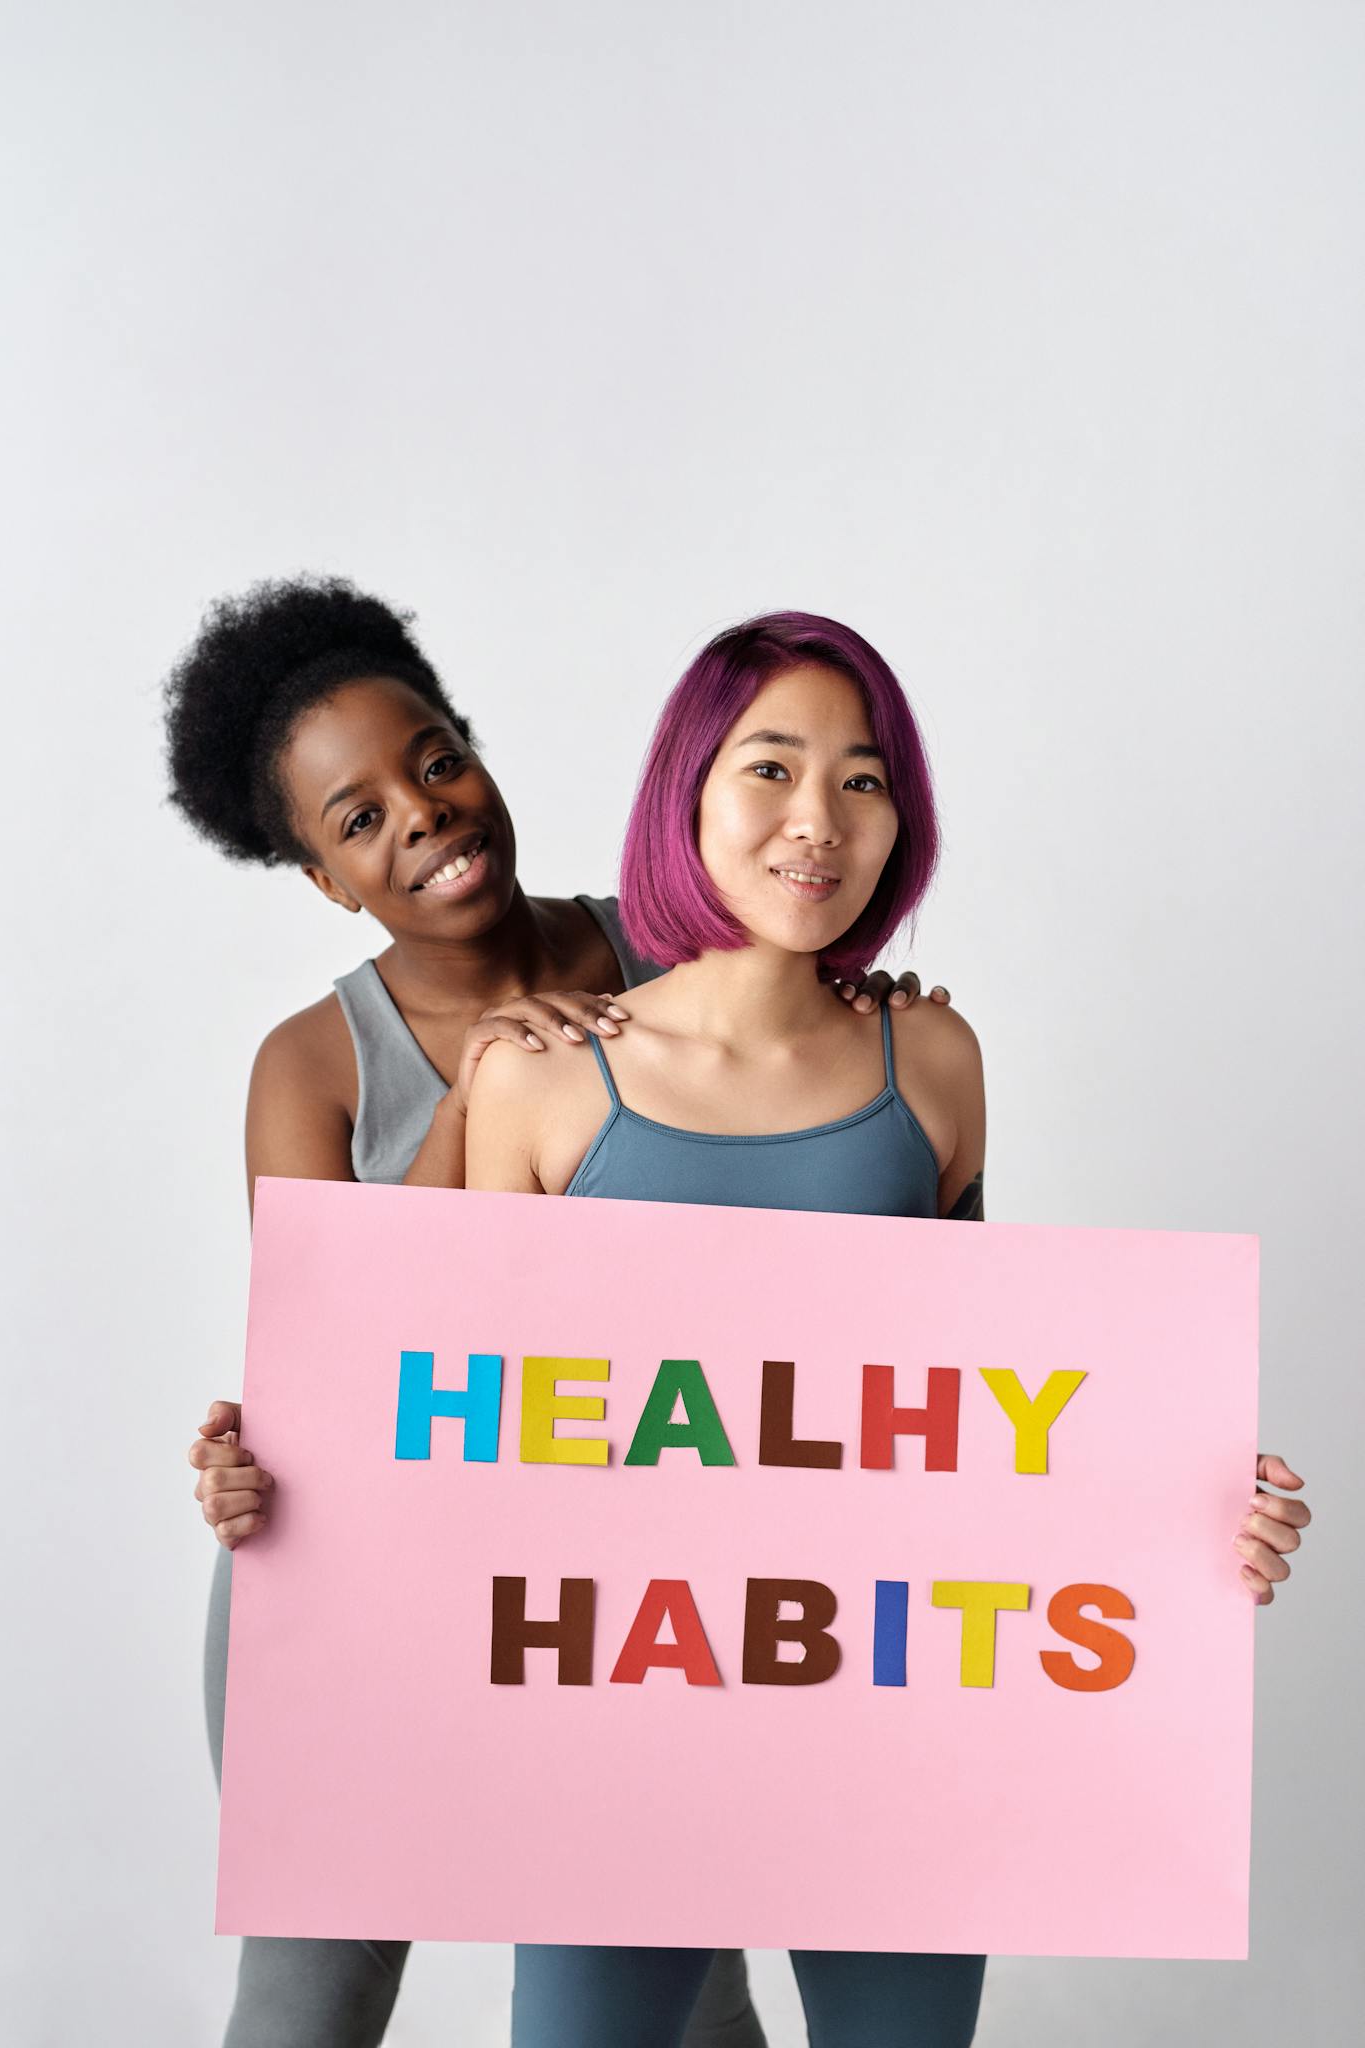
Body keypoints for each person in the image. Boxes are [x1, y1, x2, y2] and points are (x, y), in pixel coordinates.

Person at [462, 610, 1312, 2048]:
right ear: (689, 792)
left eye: (864, 780)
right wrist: (279, 1474)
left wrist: (1187, 1515)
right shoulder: (542, 1081)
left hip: (892, 1725)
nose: (820, 819)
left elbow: (976, 1424)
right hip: (622, 1729)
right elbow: (463, 1439)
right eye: (772, 768)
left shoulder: (933, 1059)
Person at [166, 575, 956, 2048]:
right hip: (357, 1563)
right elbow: (348, 1365)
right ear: (325, 882)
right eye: (356, 820)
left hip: (637, 1584)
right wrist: (244, 1450)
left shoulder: (679, 952)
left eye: (436, 761)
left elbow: (799, 1120)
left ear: (476, 748)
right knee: (314, 1992)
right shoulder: (312, 1067)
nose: (419, 813)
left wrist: (862, 1003)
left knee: (686, 1976)